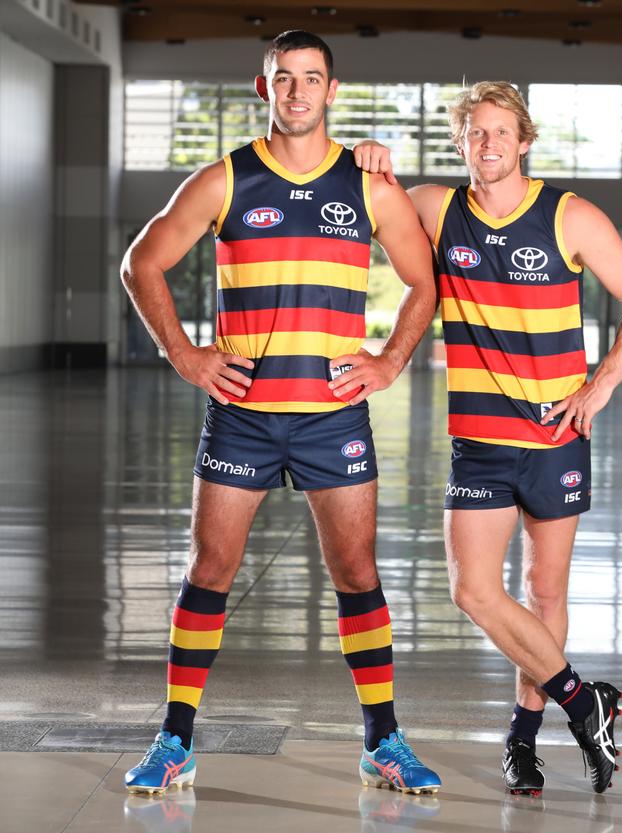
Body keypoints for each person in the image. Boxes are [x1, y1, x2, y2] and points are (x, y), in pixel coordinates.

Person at [120, 30, 440, 796]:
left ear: (333, 90)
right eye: (283, 79)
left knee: (358, 573)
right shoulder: (226, 180)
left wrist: (390, 360)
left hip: (333, 414)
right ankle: (175, 739)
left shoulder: (369, 185)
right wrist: (184, 354)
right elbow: (142, 262)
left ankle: (382, 739)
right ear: (263, 90)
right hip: (245, 414)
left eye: (312, 78)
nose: (298, 92)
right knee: (209, 571)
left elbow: (424, 284)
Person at [354, 81, 622, 795]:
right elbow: (356, 202)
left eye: (501, 132)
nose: (488, 143)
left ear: (524, 141)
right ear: (461, 143)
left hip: (556, 435)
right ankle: (586, 701)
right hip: (480, 441)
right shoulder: (436, 209)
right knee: (472, 589)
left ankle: (523, 741)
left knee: (543, 589)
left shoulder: (569, 217)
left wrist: (600, 384)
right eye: (475, 133)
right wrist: (368, 159)